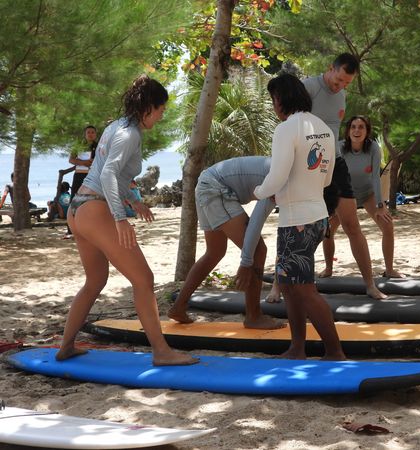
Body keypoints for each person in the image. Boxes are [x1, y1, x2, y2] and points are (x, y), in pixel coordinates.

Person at [56, 75, 196, 366]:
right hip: (95, 209)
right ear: (148, 107)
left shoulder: (116, 126)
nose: (161, 115)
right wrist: (120, 218)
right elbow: (106, 173)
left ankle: (66, 346)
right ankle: (161, 351)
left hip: (78, 211)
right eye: (161, 109)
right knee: (144, 279)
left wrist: (133, 200)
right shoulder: (128, 134)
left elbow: (108, 172)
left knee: (95, 280)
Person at [266, 53, 387, 302]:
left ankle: (370, 285)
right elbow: (289, 120)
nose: (341, 86)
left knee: (352, 225)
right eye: (339, 79)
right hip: (308, 165)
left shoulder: (341, 95)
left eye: (347, 83)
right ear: (330, 68)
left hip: (336, 163)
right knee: (292, 226)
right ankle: (277, 287)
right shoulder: (309, 87)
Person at [254, 73, 345, 360]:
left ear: (281, 98)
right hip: (317, 216)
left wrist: (259, 191)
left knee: (303, 289)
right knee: (291, 286)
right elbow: (327, 177)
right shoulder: (324, 129)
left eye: (273, 99)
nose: (273, 105)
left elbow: (277, 175)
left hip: (297, 221)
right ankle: (297, 347)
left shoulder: (286, 129)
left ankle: (335, 351)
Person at [167, 155, 285, 330]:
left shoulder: (283, 168)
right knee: (258, 250)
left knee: (214, 252)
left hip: (207, 183)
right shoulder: (280, 179)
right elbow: (256, 221)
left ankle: (178, 307)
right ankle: (253, 316)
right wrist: (246, 263)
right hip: (216, 188)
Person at [335, 115, 401, 277]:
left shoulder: (373, 148)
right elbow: (332, 176)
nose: (357, 130)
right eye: (353, 127)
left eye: (361, 127)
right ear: (348, 130)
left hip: (367, 194)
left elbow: (375, 178)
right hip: (344, 195)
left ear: (367, 131)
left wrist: (380, 205)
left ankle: (390, 270)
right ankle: (329, 268)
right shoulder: (339, 147)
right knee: (327, 231)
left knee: (388, 225)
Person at [65, 125, 98, 237]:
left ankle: (90, 227)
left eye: (93, 132)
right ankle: (71, 228)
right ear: (85, 134)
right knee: (74, 199)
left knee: (92, 200)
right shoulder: (78, 146)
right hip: (79, 175)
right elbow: (71, 160)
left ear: (95, 134)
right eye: (88, 132)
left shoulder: (98, 146)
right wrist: (83, 162)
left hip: (93, 176)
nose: (90, 134)